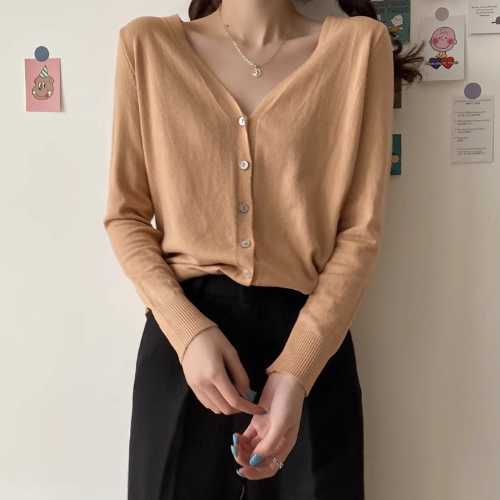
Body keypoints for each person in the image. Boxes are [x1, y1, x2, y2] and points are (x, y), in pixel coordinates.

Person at [102, 1, 422, 499]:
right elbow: (125, 216)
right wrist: (187, 333)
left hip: (311, 345)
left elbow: (360, 233)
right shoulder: (147, 46)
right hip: (187, 348)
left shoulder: (360, 47)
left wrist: (296, 371)